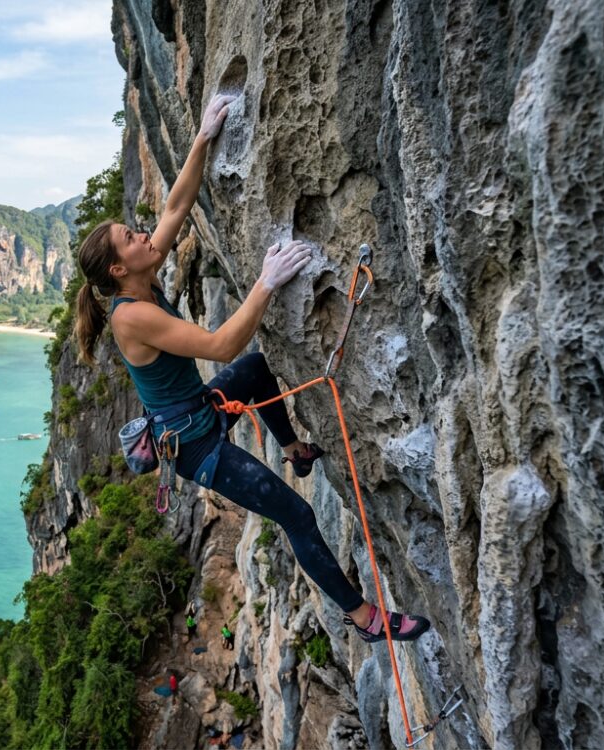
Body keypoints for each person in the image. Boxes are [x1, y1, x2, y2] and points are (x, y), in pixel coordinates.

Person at [70, 93, 429, 645]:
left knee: (260, 369)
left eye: (134, 230)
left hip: (199, 413)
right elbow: (217, 345)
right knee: (296, 517)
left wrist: (202, 136)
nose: (142, 234)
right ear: (120, 267)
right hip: (195, 448)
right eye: (130, 238)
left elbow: (174, 210)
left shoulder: (140, 275)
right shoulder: (132, 315)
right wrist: (265, 281)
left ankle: (293, 451)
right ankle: (366, 619)